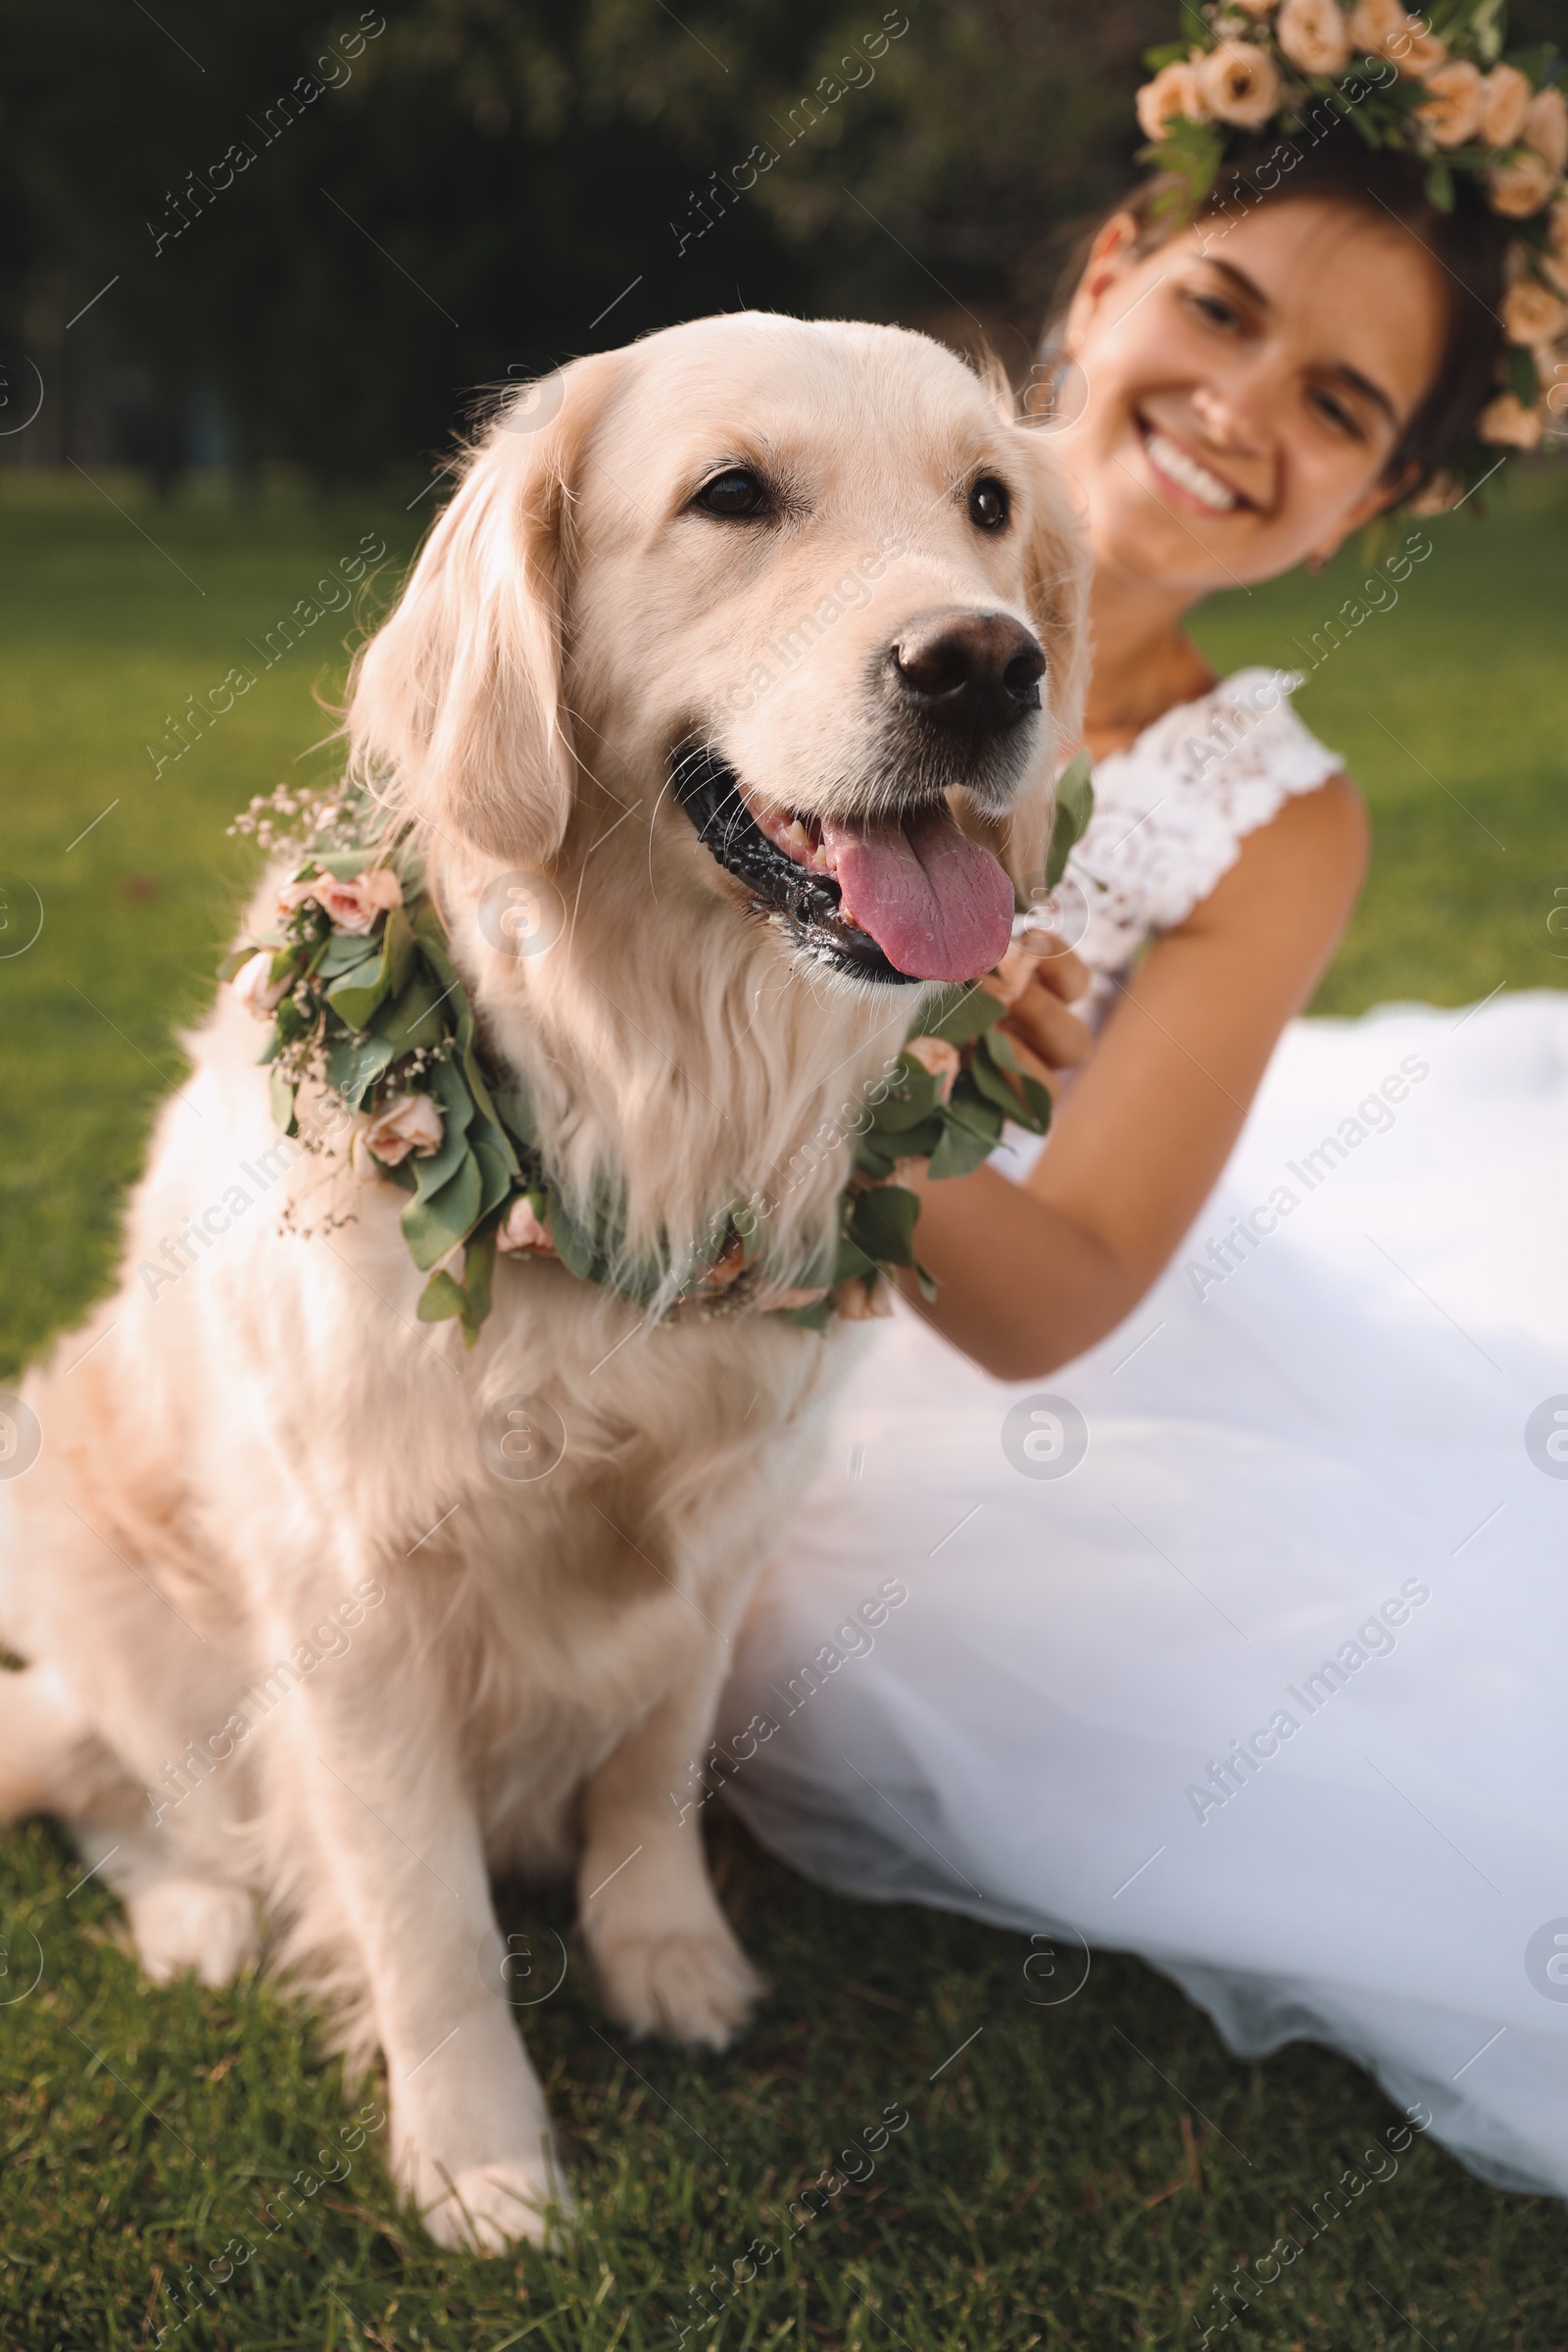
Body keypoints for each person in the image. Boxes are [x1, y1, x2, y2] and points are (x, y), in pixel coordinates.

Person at [720, 4, 1568, 2200]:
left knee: (764, 1614)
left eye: (1338, 407)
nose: (1235, 411)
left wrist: (833, 1078)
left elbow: (1057, 1289)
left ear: (1380, 500)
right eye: (1216, 306)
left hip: (940, 1356)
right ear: (1104, 276)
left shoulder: (1263, 820)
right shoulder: (798, 496)